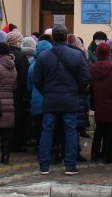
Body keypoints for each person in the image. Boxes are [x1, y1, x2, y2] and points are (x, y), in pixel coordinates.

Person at [32, 24, 89, 175]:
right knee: (71, 131)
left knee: (47, 131)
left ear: (52, 37)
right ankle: (70, 165)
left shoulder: (44, 56)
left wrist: (46, 91)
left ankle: (44, 165)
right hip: (70, 99)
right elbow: (85, 79)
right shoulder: (77, 55)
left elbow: (36, 79)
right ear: (66, 36)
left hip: (50, 99)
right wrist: (77, 92)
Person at [89, 41, 112, 164]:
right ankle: (107, 155)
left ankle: (94, 154)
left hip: (99, 104)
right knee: (110, 131)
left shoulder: (92, 68)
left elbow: (91, 88)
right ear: (109, 53)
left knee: (98, 131)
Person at [6, 30, 31, 152]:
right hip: (17, 92)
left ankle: (8, 142)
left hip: (5, 92)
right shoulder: (20, 57)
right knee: (18, 118)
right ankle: (16, 144)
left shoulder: (3, 54)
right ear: (16, 42)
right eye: (20, 41)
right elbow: (24, 76)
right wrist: (27, 94)